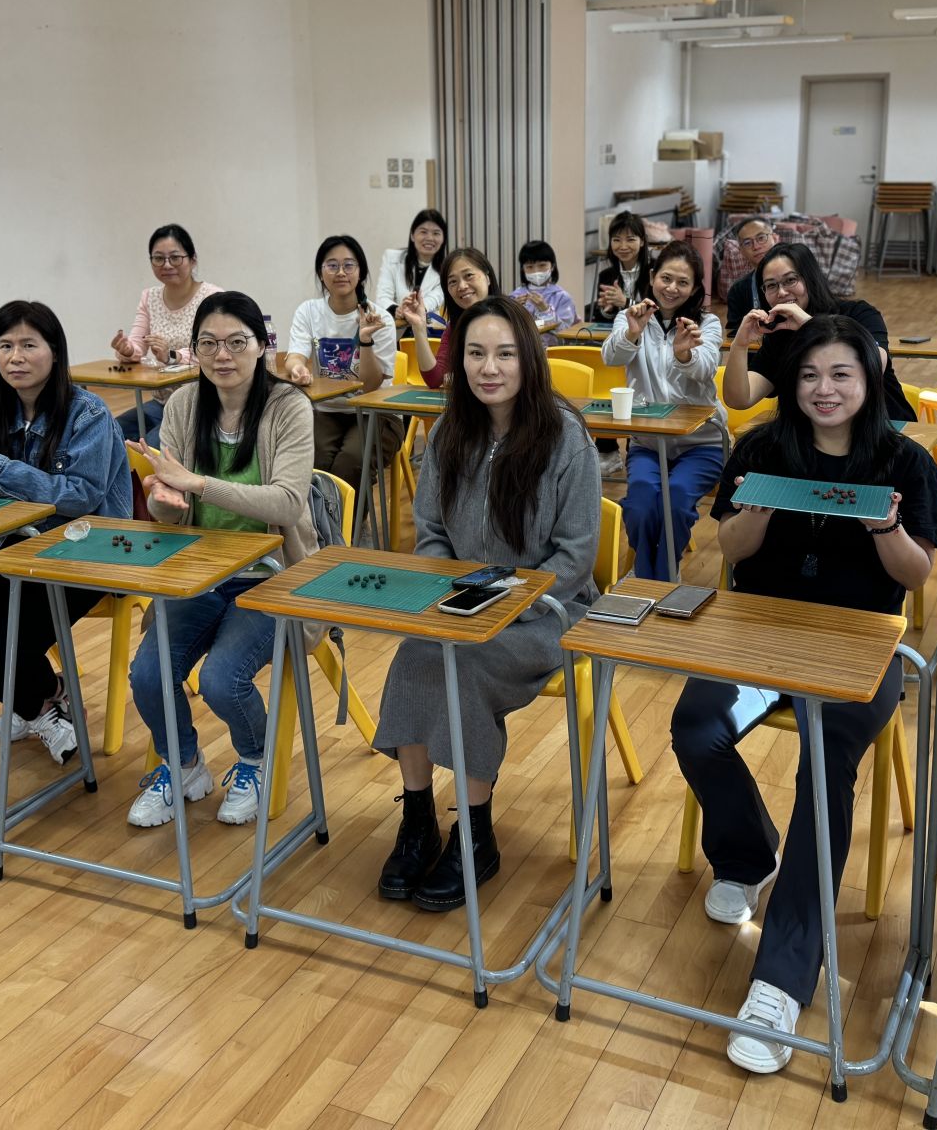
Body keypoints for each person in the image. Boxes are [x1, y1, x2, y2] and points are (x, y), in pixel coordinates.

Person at [676, 315, 937, 1073]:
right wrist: (753, 518)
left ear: (870, 379)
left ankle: (782, 980)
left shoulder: (904, 461)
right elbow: (730, 550)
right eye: (809, 376)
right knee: (697, 726)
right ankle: (747, 855)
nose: (824, 389)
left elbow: (917, 574)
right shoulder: (761, 448)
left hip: (861, 647)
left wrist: (886, 529)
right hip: (760, 637)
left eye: (841, 375)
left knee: (824, 765)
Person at [372, 297, 598, 911]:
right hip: (461, 601)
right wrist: (454, 589)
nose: (488, 368)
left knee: (464, 665)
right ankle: (418, 819)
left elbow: (576, 557)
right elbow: (430, 531)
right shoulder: (450, 429)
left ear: (529, 360)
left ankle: (475, 834)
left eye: (504, 354)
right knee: (416, 656)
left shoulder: (566, 437)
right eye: (475, 353)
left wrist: (505, 602)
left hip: (549, 610)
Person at [124, 292, 316, 829]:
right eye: (208, 343)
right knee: (148, 674)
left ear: (262, 346)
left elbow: (288, 503)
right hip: (202, 573)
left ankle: (254, 760)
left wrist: (196, 482)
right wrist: (166, 502)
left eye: (236, 342)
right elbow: (172, 514)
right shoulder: (185, 404)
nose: (222, 355)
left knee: (221, 679)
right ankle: (183, 765)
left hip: (273, 577)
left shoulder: (288, 407)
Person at [0, 301, 130, 764]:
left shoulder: (88, 414)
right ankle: (49, 702)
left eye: (29, 345)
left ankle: (38, 706)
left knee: (11, 648)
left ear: (55, 352)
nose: (15, 357)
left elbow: (80, 496)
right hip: (16, 553)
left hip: (86, 554)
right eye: (5, 346)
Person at [601, 241, 725, 581]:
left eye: (683, 282)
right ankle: (659, 579)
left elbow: (706, 367)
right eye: (666, 278)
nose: (672, 288)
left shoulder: (707, 323)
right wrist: (632, 333)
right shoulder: (632, 316)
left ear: (695, 288)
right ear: (653, 276)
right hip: (648, 442)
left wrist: (684, 353)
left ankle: (652, 580)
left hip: (702, 443)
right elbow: (610, 357)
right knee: (641, 504)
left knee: (676, 500)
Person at [722, 242, 917, 423]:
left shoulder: (860, 314)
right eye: (771, 285)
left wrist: (809, 326)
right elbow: (739, 399)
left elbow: (873, 366)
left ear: (810, 278)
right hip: (815, 435)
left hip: (882, 426)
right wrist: (740, 344)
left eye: (790, 280)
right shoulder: (779, 336)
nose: (781, 292)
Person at [283, 235, 400, 485]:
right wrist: (298, 368)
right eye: (332, 265)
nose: (340, 272)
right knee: (313, 460)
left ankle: (352, 514)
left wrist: (365, 340)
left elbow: (370, 386)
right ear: (321, 272)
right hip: (326, 410)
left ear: (361, 272)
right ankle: (322, 513)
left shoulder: (380, 319)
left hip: (374, 412)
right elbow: (294, 357)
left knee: (350, 462)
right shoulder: (308, 311)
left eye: (348, 265)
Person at [108, 224, 224, 442]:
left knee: (151, 445)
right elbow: (137, 344)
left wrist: (172, 355)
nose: (167, 265)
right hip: (162, 401)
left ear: (192, 259)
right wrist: (127, 349)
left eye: (175, 258)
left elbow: (214, 349)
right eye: (158, 258)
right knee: (110, 432)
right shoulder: (149, 297)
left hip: (201, 401)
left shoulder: (213, 298)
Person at [400, 247, 498, 388]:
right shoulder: (455, 327)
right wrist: (418, 327)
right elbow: (435, 379)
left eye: (469, 275)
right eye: (453, 282)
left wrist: (460, 379)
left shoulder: (510, 318)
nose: (462, 286)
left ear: (487, 278)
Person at [375, 208, 449, 318]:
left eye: (436, 233)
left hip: (428, 325)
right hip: (396, 324)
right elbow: (382, 296)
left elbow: (435, 298)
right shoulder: (391, 258)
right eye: (423, 232)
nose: (430, 238)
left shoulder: (447, 269)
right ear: (412, 236)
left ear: (443, 239)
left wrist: (417, 308)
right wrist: (397, 309)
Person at [509, 238, 578, 345]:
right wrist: (512, 310)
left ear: (552, 266)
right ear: (523, 269)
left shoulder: (562, 297)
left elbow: (566, 332)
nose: (536, 271)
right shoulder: (515, 297)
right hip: (522, 350)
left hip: (553, 350)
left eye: (542, 265)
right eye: (530, 267)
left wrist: (545, 310)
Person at [720, 217, 779, 335]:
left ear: (775, 238)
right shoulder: (737, 291)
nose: (756, 246)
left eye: (761, 238)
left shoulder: (800, 276)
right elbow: (732, 335)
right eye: (747, 243)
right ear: (741, 250)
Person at [587, 210, 648, 321]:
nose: (623, 246)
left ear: (642, 241)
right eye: (616, 240)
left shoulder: (655, 271)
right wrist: (608, 310)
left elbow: (659, 313)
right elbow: (600, 320)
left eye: (630, 240)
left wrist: (626, 302)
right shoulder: (606, 276)